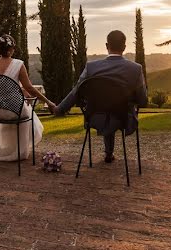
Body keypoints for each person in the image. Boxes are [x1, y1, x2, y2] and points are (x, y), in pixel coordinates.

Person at [55, 30, 148, 162]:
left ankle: (108, 153)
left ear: (106, 45)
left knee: (107, 111)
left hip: (95, 117)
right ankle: (109, 153)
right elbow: (142, 100)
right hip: (123, 118)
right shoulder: (135, 69)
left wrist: (60, 108)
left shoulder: (91, 67)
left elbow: (76, 92)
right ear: (124, 47)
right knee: (114, 111)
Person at [0, 34, 57, 161]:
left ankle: (9, 147)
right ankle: (20, 150)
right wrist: (48, 102)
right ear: (11, 49)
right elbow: (30, 88)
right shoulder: (18, 64)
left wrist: (21, 91)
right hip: (13, 111)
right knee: (29, 113)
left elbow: (3, 86)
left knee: (23, 108)